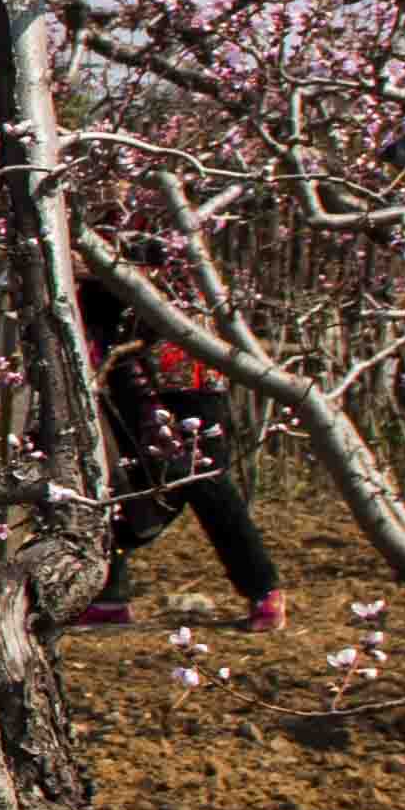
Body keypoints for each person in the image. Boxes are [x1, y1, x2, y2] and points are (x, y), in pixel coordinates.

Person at [69, 250, 284, 629]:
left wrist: (97, 267)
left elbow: (171, 270)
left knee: (204, 479)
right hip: (119, 364)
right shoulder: (85, 205)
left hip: (180, 364)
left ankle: (262, 589)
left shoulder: (154, 219)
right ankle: (107, 592)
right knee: (119, 477)